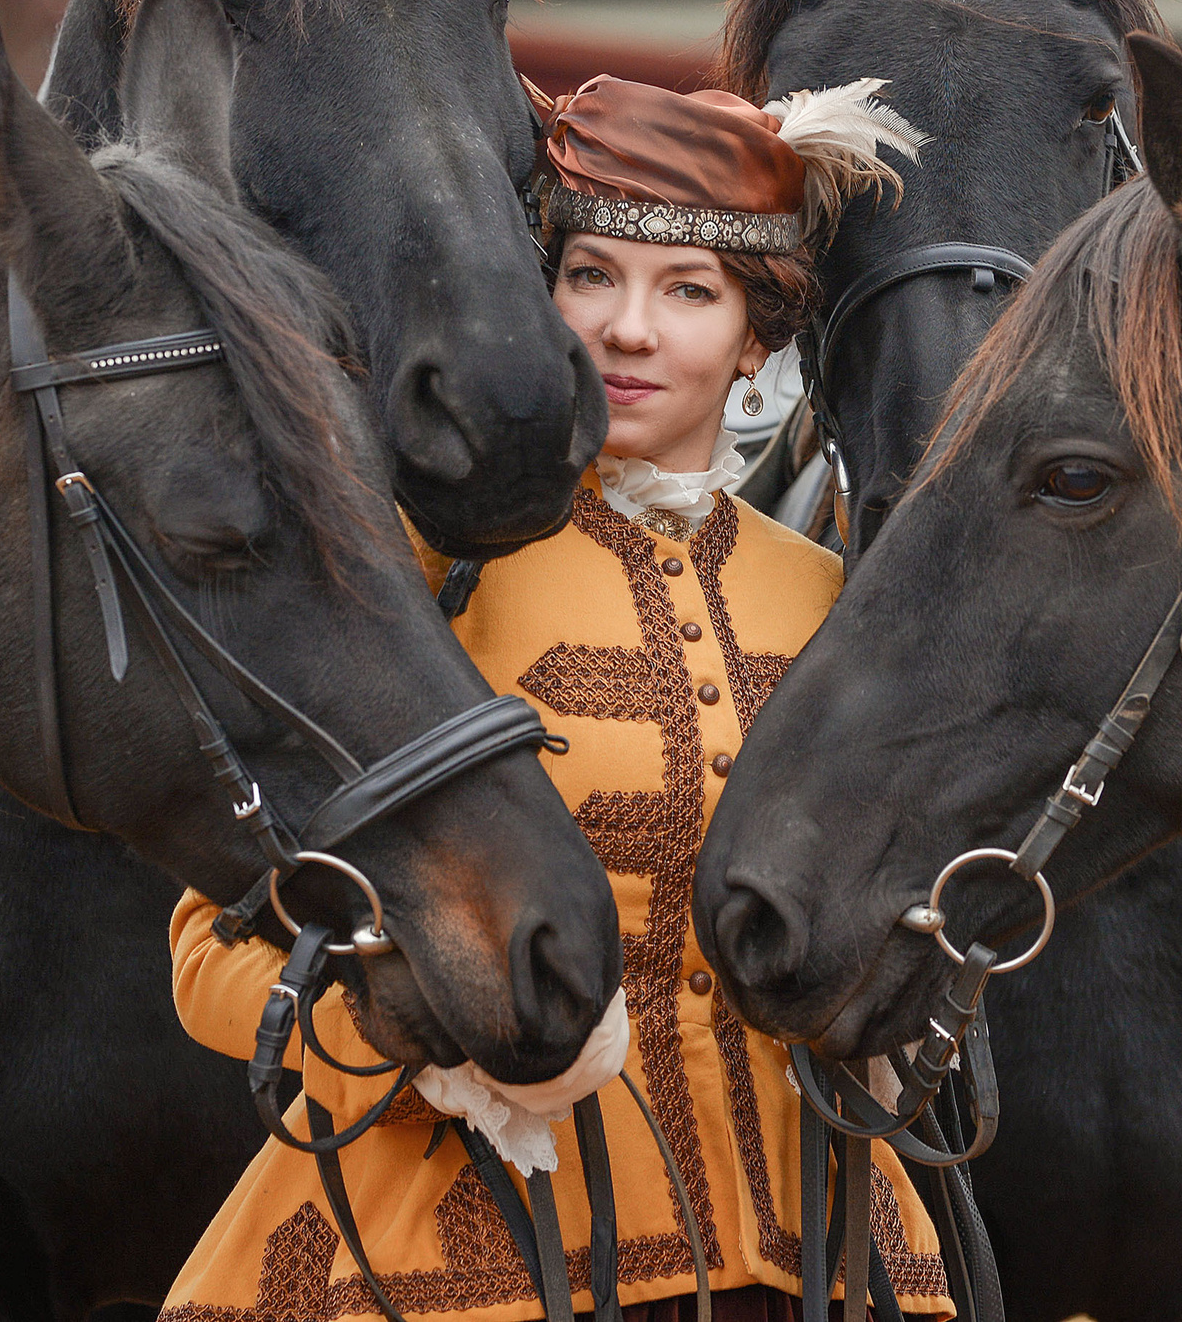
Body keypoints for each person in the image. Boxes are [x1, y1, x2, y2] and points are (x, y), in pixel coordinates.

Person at [159, 72, 943, 1322]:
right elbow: (213, 940)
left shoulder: (839, 600)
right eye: (591, 275)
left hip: (812, 1263)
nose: (630, 329)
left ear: (756, 337)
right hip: (456, 1268)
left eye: (688, 289)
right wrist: (423, 1038)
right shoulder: (416, 579)